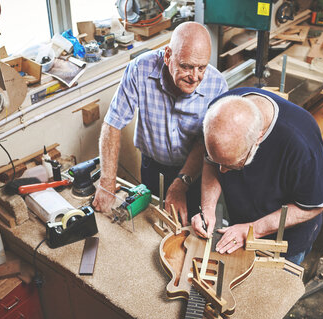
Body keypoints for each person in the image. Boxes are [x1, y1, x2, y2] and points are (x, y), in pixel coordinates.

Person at [92, 22, 228, 225]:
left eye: (202, 68)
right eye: (186, 66)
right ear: (167, 56)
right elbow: (113, 124)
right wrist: (106, 183)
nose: (195, 77)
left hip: (194, 172)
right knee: (150, 224)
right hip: (152, 167)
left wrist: (180, 184)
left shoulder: (217, 85)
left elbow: (205, 144)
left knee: (188, 228)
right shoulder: (140, 69)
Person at [191, 88, 323, 265]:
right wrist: (207, 209)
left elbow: (314, 206)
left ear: (257, 139)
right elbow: (211, 163)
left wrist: (253, 230)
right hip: (241, 223)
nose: (222, 172)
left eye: (231, 165)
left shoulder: (301, 144)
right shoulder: (220, 112)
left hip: (283, 241)